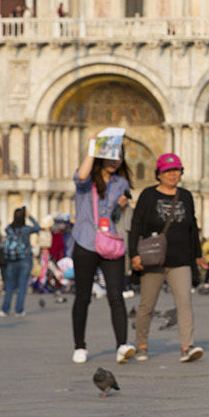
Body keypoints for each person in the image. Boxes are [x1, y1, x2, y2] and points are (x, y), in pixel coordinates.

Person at [130, 152, 205, 363]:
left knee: (184, 303)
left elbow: (193, 227)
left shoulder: (186, 196)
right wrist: (134, 254)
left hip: (181, 259)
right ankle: (142, 345)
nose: (173, 175)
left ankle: (186, 347)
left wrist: (198, 255)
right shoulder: (148, 195)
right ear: (159, 174)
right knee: (147, 305)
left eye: (176, 171)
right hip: (153, 260)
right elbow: (135, 226)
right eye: (168, 171)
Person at [71, 147, 133, 364]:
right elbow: (80, 176)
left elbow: (114, 214)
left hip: (110, 242)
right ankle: (80, 346)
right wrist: (93, 147)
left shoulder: (121, 183)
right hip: (86, 242)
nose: (115, 161)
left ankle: (122, 345)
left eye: (119, 156)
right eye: (110, 156)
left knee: (116, 295)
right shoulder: (87, 181)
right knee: (83, 297)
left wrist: (120, 207)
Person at [0, 207, 41, 317]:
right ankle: (19, 310)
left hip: (12, 259)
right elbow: (38, 227)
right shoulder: (26, 229)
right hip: (25, 258)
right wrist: (29, 216)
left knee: (9, 286)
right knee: (22, 286)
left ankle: (5, 309)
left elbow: (6, 230)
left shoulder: (9, 229)